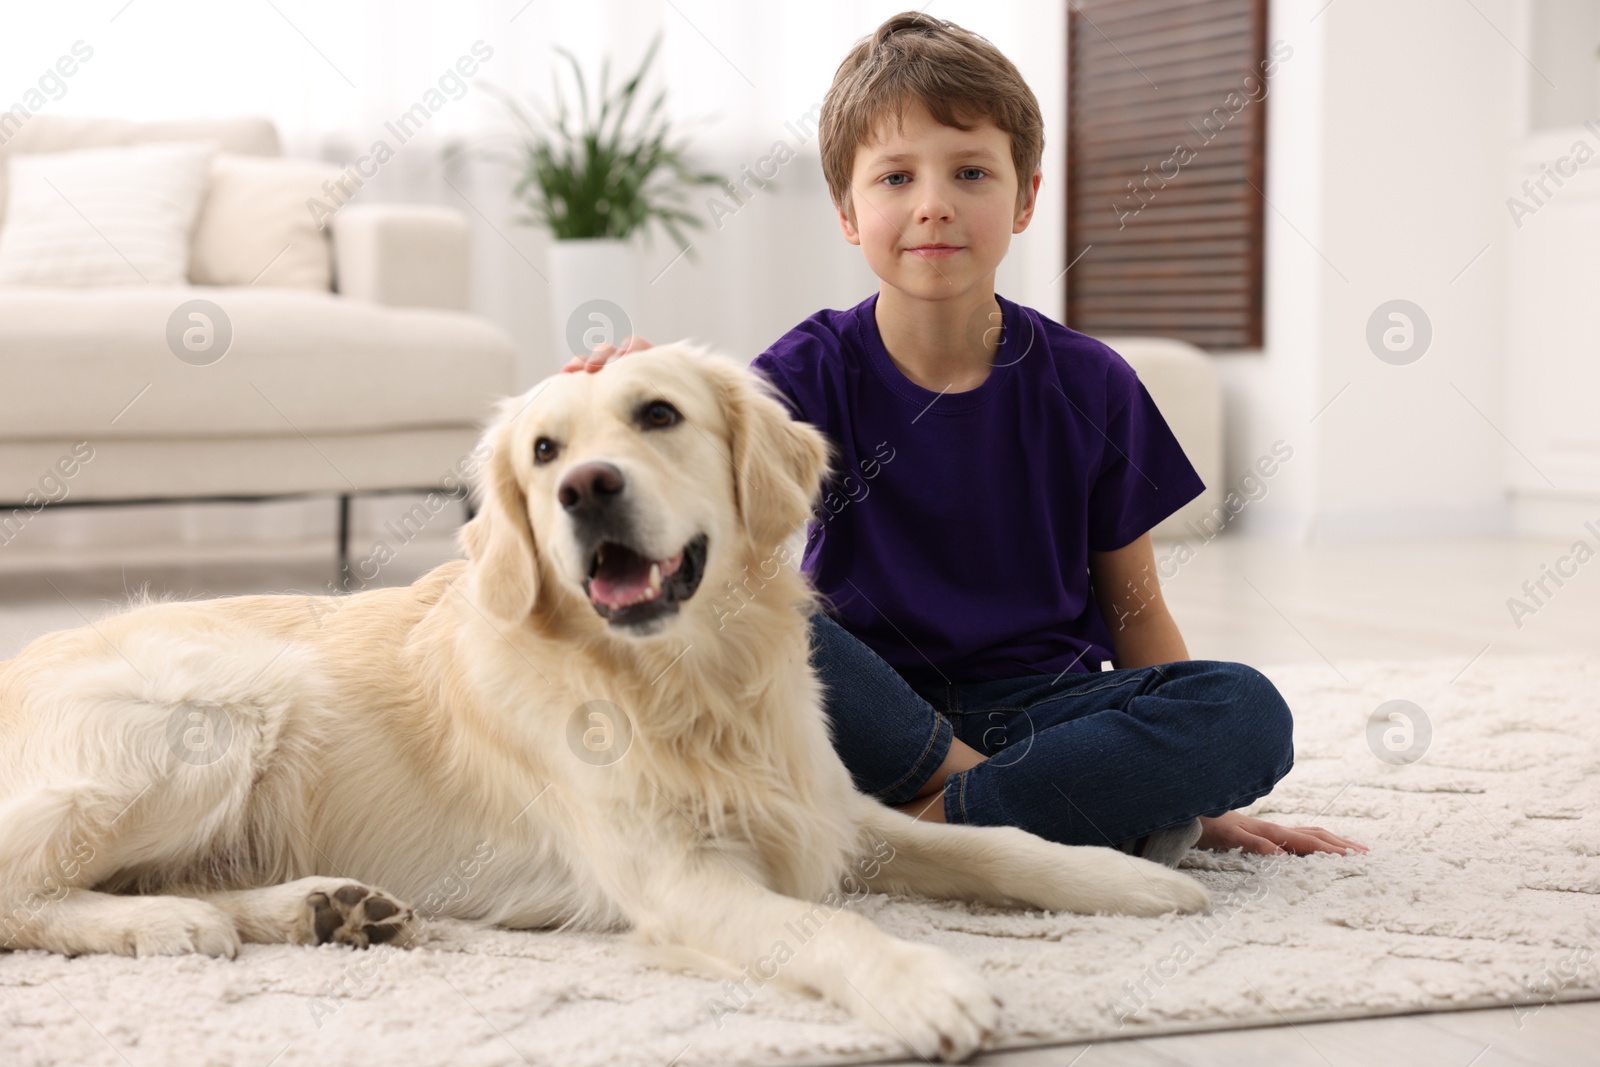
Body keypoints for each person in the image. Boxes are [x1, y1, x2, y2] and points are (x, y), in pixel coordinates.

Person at [562, 11, 1366, 866]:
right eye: (896, 177)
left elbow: (1137, 609)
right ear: (847, 210)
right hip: (862, 708)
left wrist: (1201, 796)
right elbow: (699, 455)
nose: (933, 205)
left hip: (1046, 707)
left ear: (1024, 198)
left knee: (1244, 709)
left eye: (971, 172)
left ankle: (934, 826)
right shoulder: (810, 367)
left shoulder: (1094, 383)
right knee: (758, 613)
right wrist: (646, 390)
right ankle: (1039, 807)